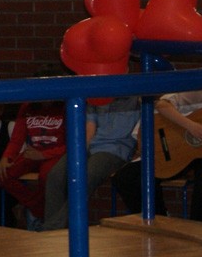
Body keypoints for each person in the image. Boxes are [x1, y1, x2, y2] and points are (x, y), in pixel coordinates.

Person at [114, 89, 202, 223]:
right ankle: (157, 220)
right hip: (179, 149)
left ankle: (198, 226)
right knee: (125, 178)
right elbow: (162, 104)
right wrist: (191, 126)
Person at [43, 95, 139, 231]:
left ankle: (53, 227)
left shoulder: (137, 100)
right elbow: (89, 130)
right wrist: (79, 154)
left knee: (86, 176)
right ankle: (55, 229)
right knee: (55, 175)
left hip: (116, 149)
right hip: (92, 145)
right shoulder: (97, 98)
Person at [0, 98, 66, 228]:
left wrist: (44, 155)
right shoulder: (27, 106)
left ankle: (39, 215)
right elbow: (17, 138)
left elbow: (71, 144)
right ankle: (37, 209)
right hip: (33, 152)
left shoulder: (65, 106)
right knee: (3, 175)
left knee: (47, 177)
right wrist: (6, 158)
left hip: (55, 154)